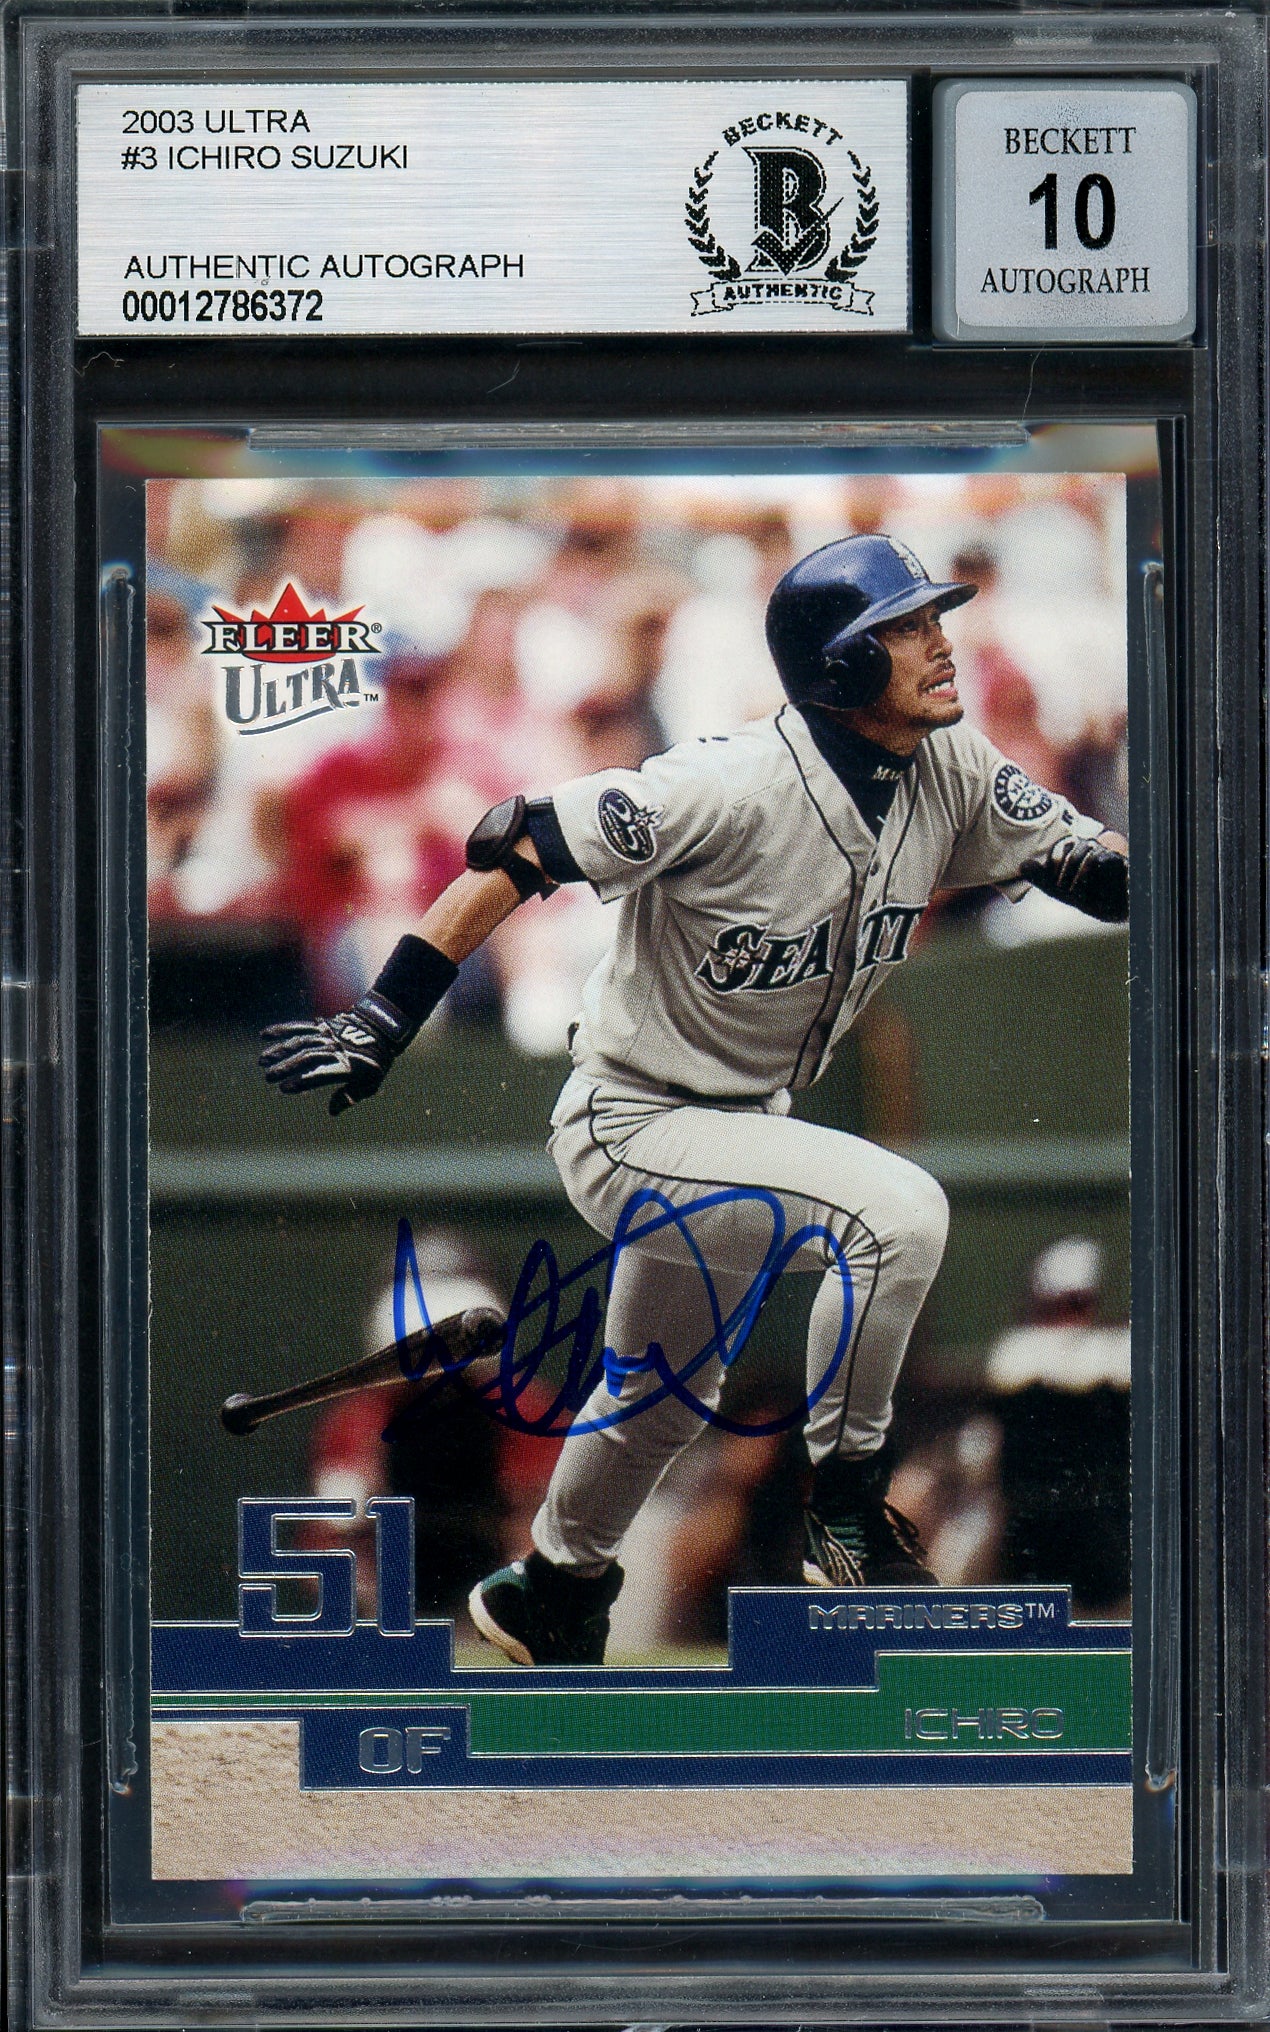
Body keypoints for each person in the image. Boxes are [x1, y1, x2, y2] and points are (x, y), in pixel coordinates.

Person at [258, 534, 1129, 1666]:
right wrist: (384, 1015)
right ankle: (844, 1505)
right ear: (841, 664)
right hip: (634, 1121)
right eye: (907, 628)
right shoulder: (725, 782)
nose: (938, 641)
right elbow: (515, 849)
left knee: (662, 1398)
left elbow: (1095, 871)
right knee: (900, 1214)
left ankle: (553, 1588)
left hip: (744, 1125)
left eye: (933, 619)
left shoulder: (949, 766)